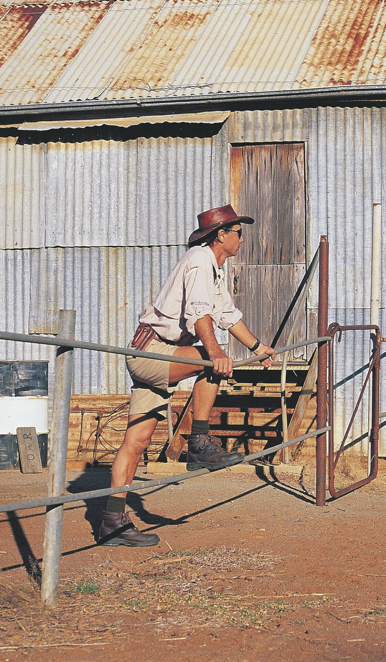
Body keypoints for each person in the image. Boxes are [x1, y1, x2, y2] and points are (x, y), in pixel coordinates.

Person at [97, 204, 278, 547]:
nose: (242, 239)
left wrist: (258, 347)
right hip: (152, 351)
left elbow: (226, 315)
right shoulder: (198, 260)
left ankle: (112, 522)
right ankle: (198, 443)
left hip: (162, 353)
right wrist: (215, 354)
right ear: (221, 235)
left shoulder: (214, 269)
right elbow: (199, 315)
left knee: (137, 442)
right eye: (238, 232)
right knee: (212, 362)